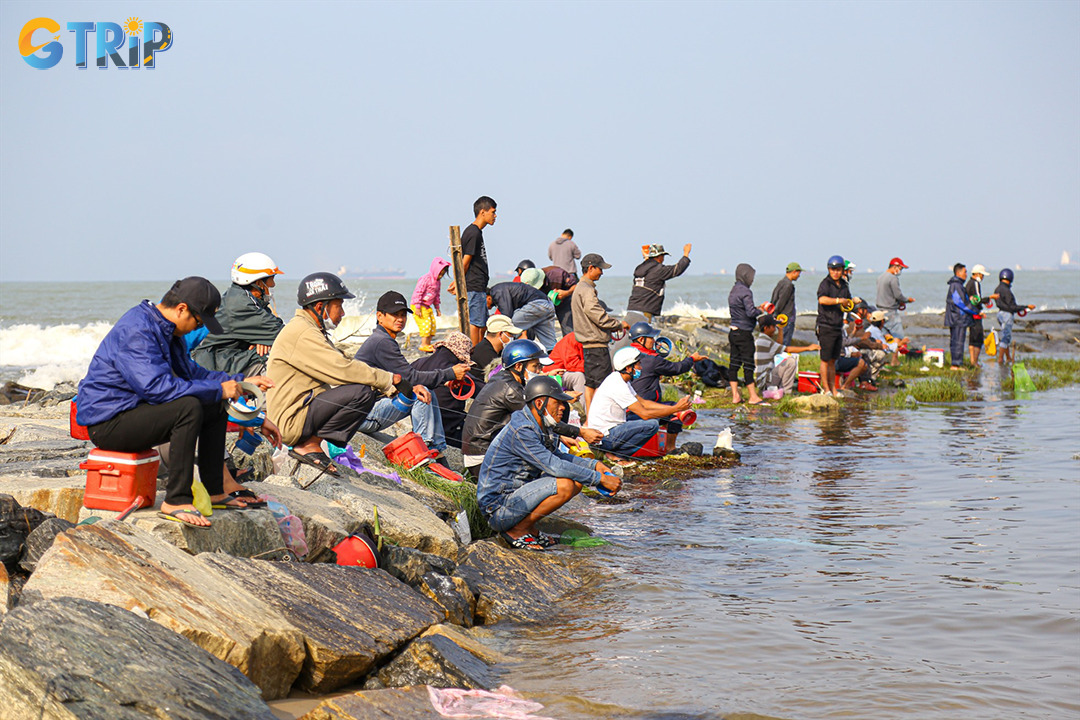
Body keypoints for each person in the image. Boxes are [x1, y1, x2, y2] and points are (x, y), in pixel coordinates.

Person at [79, 277, 281, 528]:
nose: (197, 328)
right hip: (109, 423)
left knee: (213, 403)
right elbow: (157, 388)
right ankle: (176, 500)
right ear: (182, 309)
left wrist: (238, 382)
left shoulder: (166, 329)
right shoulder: (138, 330)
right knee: (189, 408)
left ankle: (215, 491)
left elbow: (192, 373)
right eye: (198, 322)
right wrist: (219, 389)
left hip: (134, 413)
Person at [268, 274, 404, 477]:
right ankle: (308, 445)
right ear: (320, 306)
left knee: (366, 389)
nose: (342, 313)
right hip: (290, 421)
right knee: (361, 392)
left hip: (298, 413)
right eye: (339, 306)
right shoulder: (303, 332)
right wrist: (387, 379)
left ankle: (312, 443)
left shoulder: (309, 328)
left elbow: (343, 360)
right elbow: (341, 369)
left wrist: (388, 385)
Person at [477, 375, 620, 551]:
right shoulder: (523, 430)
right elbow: (554, 466)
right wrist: (598, 479)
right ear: (539, 403)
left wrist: (594, 465)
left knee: (576, 483)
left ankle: (529, 528)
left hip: (515, 499)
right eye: (557, 403)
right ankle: (517, 530)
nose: (563, 407)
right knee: (565, 485)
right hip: (498, 508)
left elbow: (558, 456)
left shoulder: (541, 425)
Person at [354, 291, 470, 456]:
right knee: (421, 394)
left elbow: (405, 377)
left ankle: (437, 450)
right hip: (364, 416)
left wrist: (442, 380)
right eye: (394, 314)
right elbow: (412, 377)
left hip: (367, 411)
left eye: (403, 315)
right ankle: (425, 449)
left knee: (423, 389)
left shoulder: (382, 339)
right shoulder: (382, 342)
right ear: (380, 316)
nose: (400, 319)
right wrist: (450, 373)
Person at [462, 340, 601, 473]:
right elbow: (540, 418)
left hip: (487, 451)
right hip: (485, 459)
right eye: (535, 366)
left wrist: (561, 435)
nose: (539, 371)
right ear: (518, 366)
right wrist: (581, 432)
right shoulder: (511, 389)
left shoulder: (507, 380)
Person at [588, 346, 692, 459]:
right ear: (628, 368)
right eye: (638, 364)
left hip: (612, 430)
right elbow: (644, 414)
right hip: (605, 436)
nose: (641, 368)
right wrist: (675, 409)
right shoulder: (618, 384)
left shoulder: (621, 379)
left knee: (656, 419)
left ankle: (614, 454)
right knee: (652, 425)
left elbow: (644, 403)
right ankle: (618, 455)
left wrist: (673, 408)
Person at [192, 253, 284, 375]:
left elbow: (272, 324)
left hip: (223, 357)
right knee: (275, 355)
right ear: (258, 282)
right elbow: (283, 334)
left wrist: (262, 339)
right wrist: (264, 338)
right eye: (272, 278)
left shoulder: (243, 297)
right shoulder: (242, 305)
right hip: (214, 363)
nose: (273, 284)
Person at [571, 253, 629, 412]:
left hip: (588, 346)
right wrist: (618, 325)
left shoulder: (580, 288)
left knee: (590, 384)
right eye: (600, 269)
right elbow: (596, 314)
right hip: (596, 346)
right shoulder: (587, 289)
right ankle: (599, 417)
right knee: (602, 386)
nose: (602, 273)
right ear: (591, 268)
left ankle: (590, 419)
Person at [412, 331, 473, 449]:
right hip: (451, 432)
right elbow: (483, 391)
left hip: (419, 427)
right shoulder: (457, 372)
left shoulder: (419, 363)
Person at [448, 196, 496, 346]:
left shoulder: (477, 232)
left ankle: (478, 351)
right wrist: (458, 283)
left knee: (482, 324)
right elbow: (465, 262)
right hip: (473, 285)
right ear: (482, 212)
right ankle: (473, 354)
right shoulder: (473, 233)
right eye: (493, 212)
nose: (495, 216)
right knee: (475, 323)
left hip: (479, 285)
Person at [628, 321, 705, 402]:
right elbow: (677, 368)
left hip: (630, 402)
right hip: (647, 403)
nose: (654, 341)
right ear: (641, 339)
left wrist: (653, 351)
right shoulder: (653, 360)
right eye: (651, 338)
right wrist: (692, 359)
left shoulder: (626, 353)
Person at [728, 263, 769, 405]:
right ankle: (753, 396)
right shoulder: (746, 291)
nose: (752, 280)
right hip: (744, 333)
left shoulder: (733, 290)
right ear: (745, 276)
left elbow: (742, 310)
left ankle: (735, 396)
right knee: (748, 364)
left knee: (734, 363)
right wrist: (761, 310)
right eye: (751, 277)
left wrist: (756, 308)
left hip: (733, 332)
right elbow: (751, 312)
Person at [488, 270, 558, 351]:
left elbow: (507, 315)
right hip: (548, 304)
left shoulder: (496, 291)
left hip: (537, 304)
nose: (487, 308)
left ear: (488, 297)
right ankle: (554, 356)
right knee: (549, 344)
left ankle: (507, 350)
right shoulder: (501, 289)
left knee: (510, 324)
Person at [816, 255, 854, 398]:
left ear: (842, 270)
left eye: (838, 270)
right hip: (826, 325)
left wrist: (853, 302)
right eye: (832, 270)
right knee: (825, 359)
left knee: (833, 360)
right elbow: (822, 299)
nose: (835, 272)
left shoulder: (844, 285)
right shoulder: (825, 284)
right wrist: (838, 300)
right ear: (828, 270)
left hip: (838, 326)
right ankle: (825, 389)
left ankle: (833, 389)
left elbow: (848, 301)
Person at [753, 314, 819, 395]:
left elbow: (779, 346)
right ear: (766, 328)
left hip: (765, 379)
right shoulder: (765, 341)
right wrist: (808, 348)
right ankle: (786, 392)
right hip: (765, 381)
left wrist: (780, 329)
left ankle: (778, 390)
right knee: (790, 362)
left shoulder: (762, 339)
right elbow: (787, 349)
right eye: (773, 326)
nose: (775, 329)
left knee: (787, 362)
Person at [626, 244, 692, 321]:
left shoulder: (639, 268)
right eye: (663, 256)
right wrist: (686, 253)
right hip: (646, 311)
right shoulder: (658, 270)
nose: (663, 259)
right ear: (659, 256)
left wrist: (647, 256)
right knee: (647, 329)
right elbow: (677, 269)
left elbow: (649, 266)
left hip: (631, 310)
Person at [469, 314, 523, 390]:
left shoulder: (497, 350)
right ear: (501, 334)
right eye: (510, 334)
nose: (513, 337)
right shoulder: (484, 352)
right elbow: (502, 380)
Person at [993, 268, 1035, 365]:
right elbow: (1012, 307)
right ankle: (1000, 359)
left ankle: (1008, 357)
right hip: (1007, 315)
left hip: (1000, 314)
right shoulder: (1007, 291)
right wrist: (1026, 307)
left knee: (1005, 334)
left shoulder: (997, 289)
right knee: (1006, 337)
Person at [411, 257, 451, 352]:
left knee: (432, 324)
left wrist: (437, 308)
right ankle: (423, 344)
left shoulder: (437, 282)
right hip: (418, 305)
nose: (440, 276)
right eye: (439, 274)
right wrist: (417, 306)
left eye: (442, 274)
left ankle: (428, 343)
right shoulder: (426, 279)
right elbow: (418, 292)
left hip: (427, 306)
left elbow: (436, 296)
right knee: (425, 324)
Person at [945, 263, 978, 370]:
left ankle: (956, 363)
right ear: (958, 273)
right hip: (958, 318)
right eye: (965, 272)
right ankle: (956, 364)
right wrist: (975, 312)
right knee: (958, 341)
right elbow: (960, 303)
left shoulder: (957, 285)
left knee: (956, 340)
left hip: (956, 318)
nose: (966, 274)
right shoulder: (956, 285)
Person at [876, 257, 914, 340]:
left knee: (885, 336)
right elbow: (898, 295)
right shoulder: (893, 278)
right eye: (900, 268)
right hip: (890, 312)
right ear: (895, 267)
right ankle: (900, 347)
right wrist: (908, 300)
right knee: (898, 336)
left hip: (880, 311)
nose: (900, 271)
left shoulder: (880, 277)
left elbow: (886, 293)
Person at [770, 262, 803, 347]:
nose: (799, 276)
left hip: (780, 318)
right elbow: (781, 301)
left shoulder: (781, 282)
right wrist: (776, 314)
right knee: (785, 344)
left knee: (780, 343)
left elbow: (774, 300)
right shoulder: (788, 285)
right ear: (794, 272)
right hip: (786, 319)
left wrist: (772, 314)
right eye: (798, 273)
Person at [964, 264, 991, 367]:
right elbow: (977, 300)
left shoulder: (969, 283)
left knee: (972, 338)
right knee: (978, 338)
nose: (983, 277)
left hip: (970, 313)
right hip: (975, 314)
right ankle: (975, 361)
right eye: (982, 275)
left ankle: (973, 361)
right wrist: (989, 298)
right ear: (978, 274)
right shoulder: (975, 283)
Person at [546, 331, 587, 397]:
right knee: (578, 376)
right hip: (556, 375)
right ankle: (587, 403)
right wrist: (593, 366)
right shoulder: (572, 338)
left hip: (569, 372)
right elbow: (572, 365)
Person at [541, 263, 578, 334]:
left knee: (568, 327)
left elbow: (576, 286)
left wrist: (566, 293)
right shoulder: (529, 285)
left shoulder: (557, 274)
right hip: (544, 304)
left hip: (563, 301)